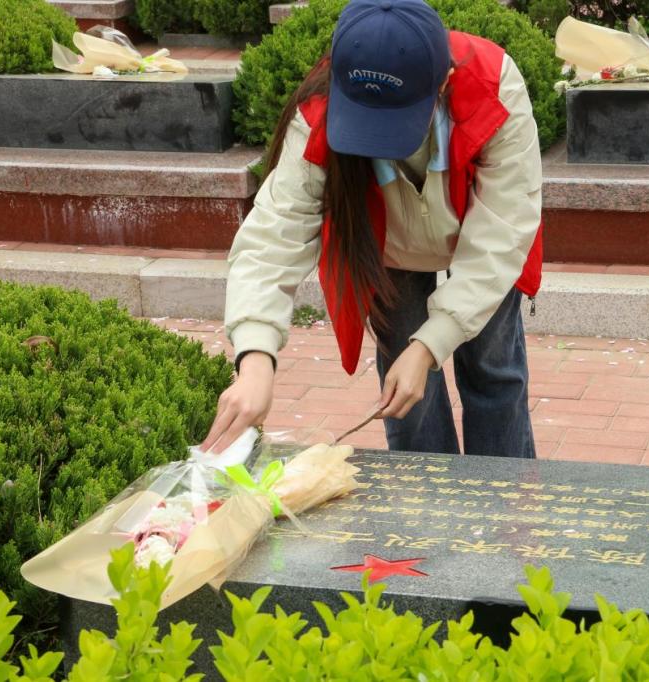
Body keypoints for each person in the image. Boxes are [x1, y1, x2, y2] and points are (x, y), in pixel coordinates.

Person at [201, 0, 544, 458]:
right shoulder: (319, 112)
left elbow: (503, 231)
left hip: (480, 236)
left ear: (444, 81)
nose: (381, 141)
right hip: (390, 244)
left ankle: (504, 495)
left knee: (493, 370)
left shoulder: (492, 85)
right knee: (407, 398)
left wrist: (431, 345)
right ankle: (421, 497)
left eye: (396, 122)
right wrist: (256, 359)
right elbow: (273, 236)